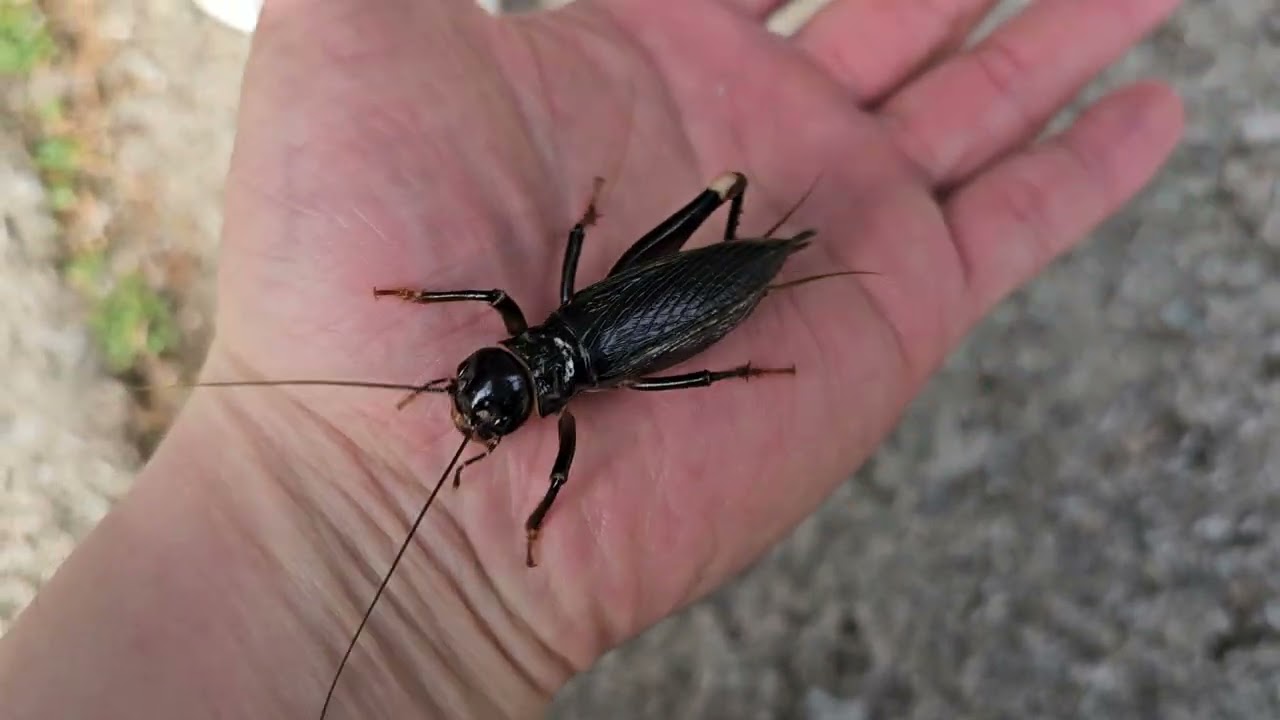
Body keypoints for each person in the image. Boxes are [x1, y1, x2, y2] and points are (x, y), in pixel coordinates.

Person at [0, 0, 1184, 717]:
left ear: (511, 357)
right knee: (698, 306)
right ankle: (758, 270)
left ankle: (758, 273)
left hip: (655, 314)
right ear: (520, 378)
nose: (480, 399)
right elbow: (568, 263)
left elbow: (568, 311)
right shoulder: (539, 325)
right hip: (649, 317)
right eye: (490, 404)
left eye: (482, 387)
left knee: (703, 302)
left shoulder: (557, 395)